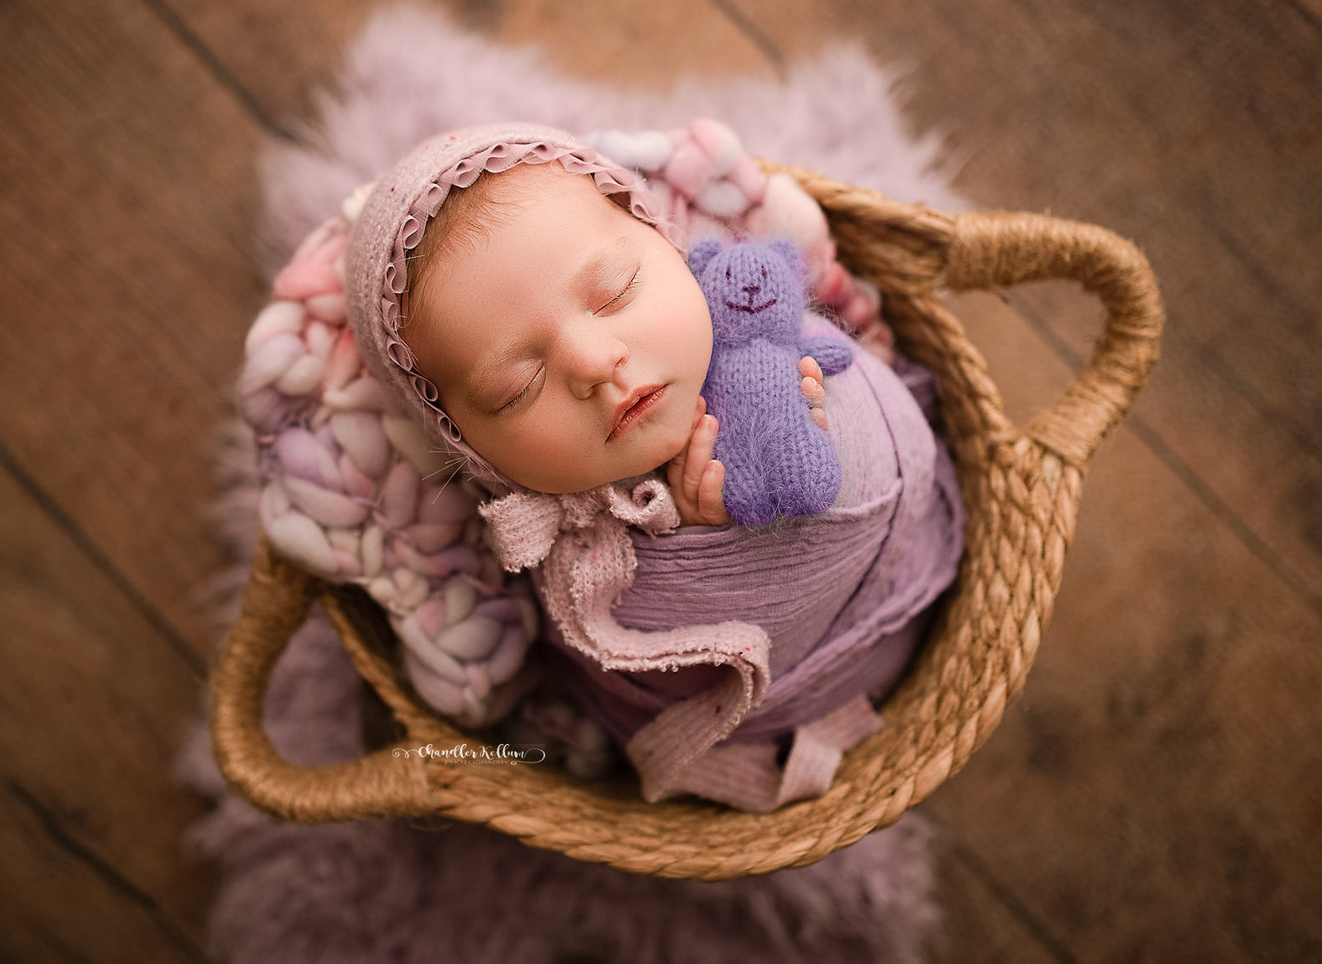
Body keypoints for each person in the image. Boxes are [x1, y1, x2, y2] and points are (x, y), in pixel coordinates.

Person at [345, 123, 964, 811]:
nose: (592, 363)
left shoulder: (763, 319)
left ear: (673, 250)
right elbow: (652, 665)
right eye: (516, 387)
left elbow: (884, 445)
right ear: (470, 450)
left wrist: (810, 435)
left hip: (908, 588)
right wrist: (702, 546)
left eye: (614, 292)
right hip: (767, 721)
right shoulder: (568, 550)